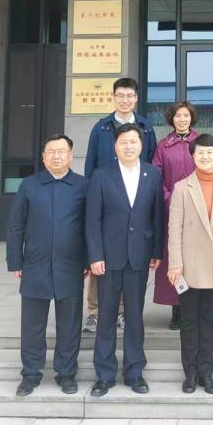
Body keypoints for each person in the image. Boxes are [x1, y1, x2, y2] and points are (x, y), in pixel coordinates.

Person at [6, 135, 88, 397]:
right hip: (35, 264)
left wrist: (88, 260)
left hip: (70, 264)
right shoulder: (29, 185)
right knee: (32, 325)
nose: (56, 156)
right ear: (43, 157)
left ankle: (67, 374)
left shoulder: (82, 186)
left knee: (69, 324)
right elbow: (16, 225)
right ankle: (30, 374)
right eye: (51, 151)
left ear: (70, 156)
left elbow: (90, 226)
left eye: (61, 151)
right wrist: (15, 260)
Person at [85, 123, 164, 397]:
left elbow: (157, 215)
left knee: (134, 316)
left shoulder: (153, 174)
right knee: (106, 316)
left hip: (139, 255)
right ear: (115, 147)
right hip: (108, 258)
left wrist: (157, 251)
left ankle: (134, 372)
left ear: (141, 145)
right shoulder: (101, 175)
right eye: (123, 142)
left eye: (133, 142)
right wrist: (95, 255)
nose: (129, 146)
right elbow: (92, 219)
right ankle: (104, 374)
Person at [83, 77, 157, 333]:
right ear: (113, 97)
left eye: (130, 96)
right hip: (106, 197)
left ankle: (124, 312)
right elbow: (91, 164)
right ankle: (95, 311)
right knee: (103, 258)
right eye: (121, 96)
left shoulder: (146, 127)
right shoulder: (101, 128)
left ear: (136, 98)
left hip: (135, 200)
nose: (125, 100)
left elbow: (151, 162)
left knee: (131, 258)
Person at [166, 134, 213, 394]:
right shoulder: (181, 188)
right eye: (200, 153)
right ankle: (190, 373)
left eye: (210, 152)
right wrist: (175, 264)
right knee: (188, 320)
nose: (205, 157)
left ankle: (206, 372)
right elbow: (174, 229)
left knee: (208, 320)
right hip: (188, 265)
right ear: (193, 156)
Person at [152, 101, 199, 331]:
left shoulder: (200, 142)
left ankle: (193, 307)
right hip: (171, 209)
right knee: (174, 258)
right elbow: (156, 177)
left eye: (186, 116)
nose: (182, 119)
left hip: (198, 209)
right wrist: (170, 199)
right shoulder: (163, 146)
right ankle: (176, 309)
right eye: (178, 116)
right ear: (172, 119)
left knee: (195, 258)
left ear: (191, 118)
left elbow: (209, 170)